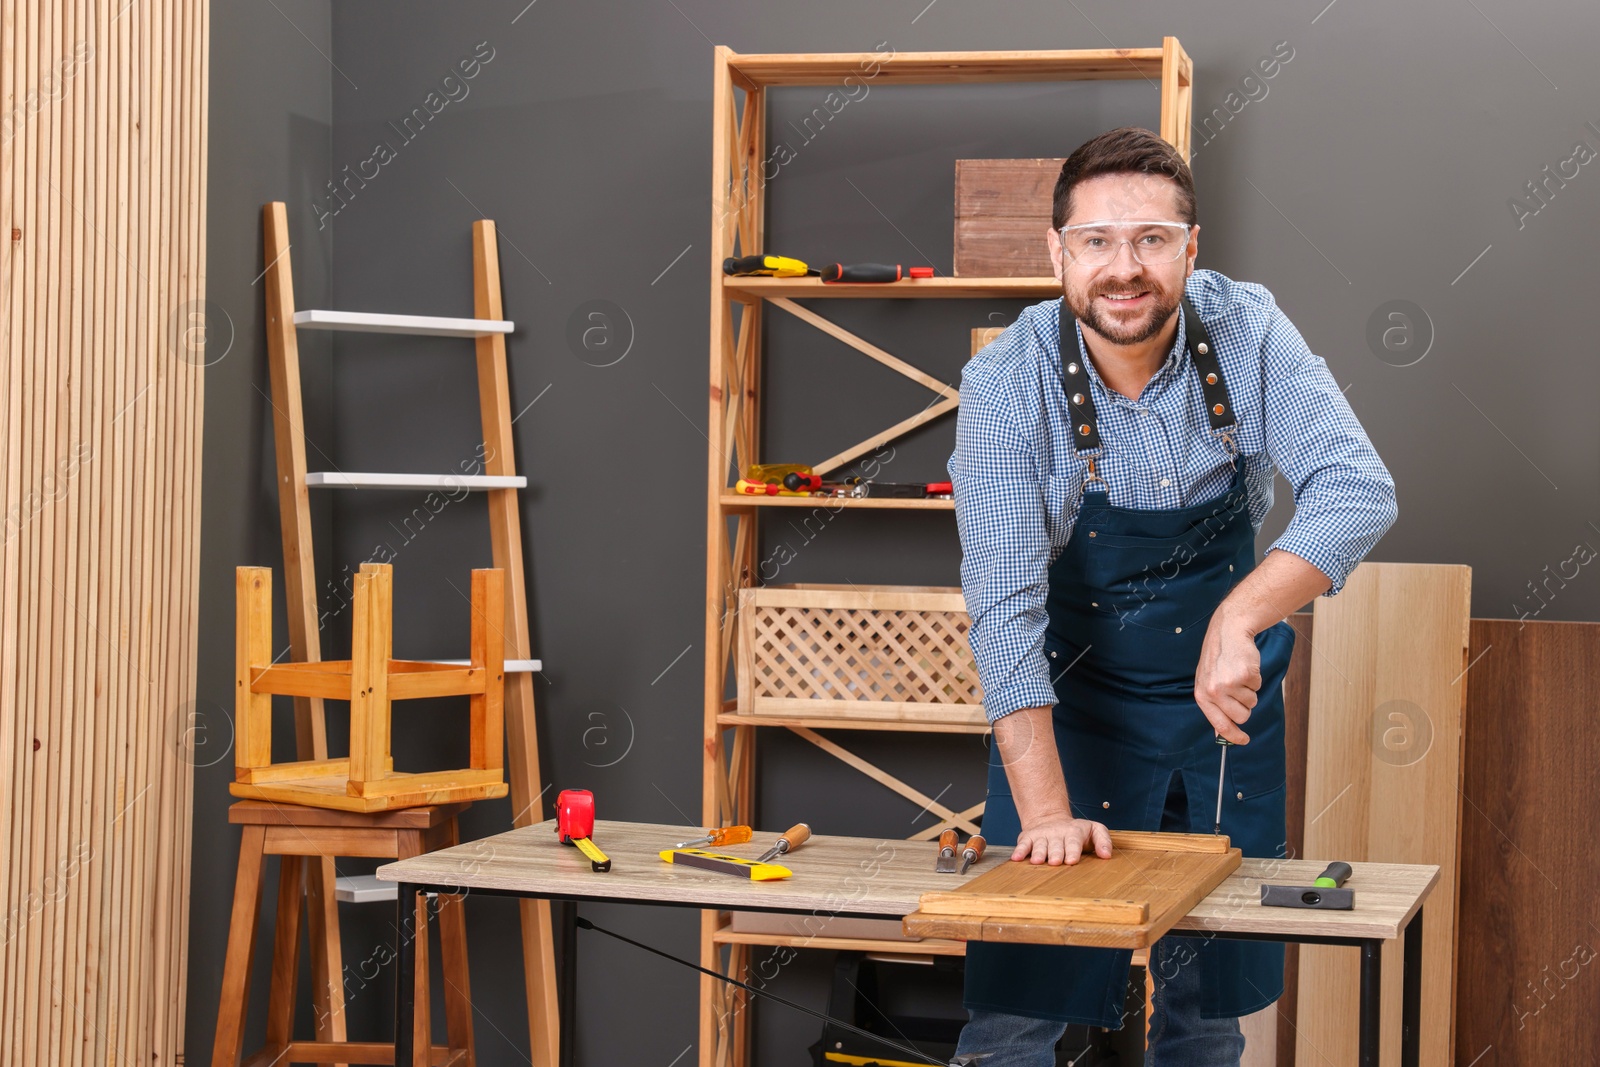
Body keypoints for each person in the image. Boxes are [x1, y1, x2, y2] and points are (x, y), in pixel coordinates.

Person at [946, 126, 1397, 1066]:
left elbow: (1360, 488)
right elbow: (1002, 608)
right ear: (1057, 253)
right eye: (1098, 241)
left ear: (1192, 248)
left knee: (1204, 1007)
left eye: (1152, 239)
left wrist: (1240, 615)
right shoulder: (1005, 381)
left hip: (1218, 710)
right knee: (1018, 1009)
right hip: (1066, 710)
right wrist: (1044, 817)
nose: (1125, 268)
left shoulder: (1248, 329)